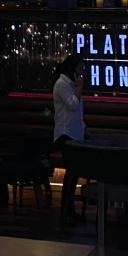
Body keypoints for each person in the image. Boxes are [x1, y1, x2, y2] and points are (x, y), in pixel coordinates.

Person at [53, 54, 85, 224]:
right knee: (71, 174)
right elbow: (72, 105)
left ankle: (69, 210)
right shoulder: (62, 85)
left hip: (75, 134)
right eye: (80, 69)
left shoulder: (70, 84)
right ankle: (65, 212)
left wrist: (85, 130)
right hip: (66, 135)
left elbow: (78, 113)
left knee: (74, 173)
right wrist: (79, 88)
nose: (81, 74)